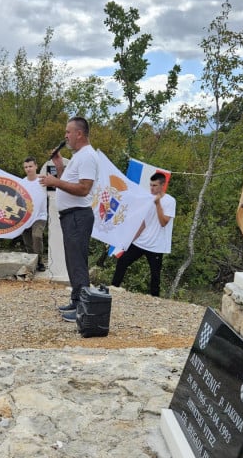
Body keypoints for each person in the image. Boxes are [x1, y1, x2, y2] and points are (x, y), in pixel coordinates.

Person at [39, 117, 97, 322]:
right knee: (72, 261)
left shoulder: (88, 156)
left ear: (79, 134)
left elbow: (83, 188)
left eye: (68, 132)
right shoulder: (79, 156)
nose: (65, 136)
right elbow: (71, 182)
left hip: (78, 216)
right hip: (71, 216)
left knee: (78, 262)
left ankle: (83, 308)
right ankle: (76, 300)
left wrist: (54, 181)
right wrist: (59, 167)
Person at [111, 171, 176, 297]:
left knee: (155, 274)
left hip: (156, 245)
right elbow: (143, 223)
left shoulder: (170, 201)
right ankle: (113, 288)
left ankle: (154, 299)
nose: (152, 188)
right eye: (151, 185)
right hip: (141, 241)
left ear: (162, 186)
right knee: (123, 261)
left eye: (155, 185)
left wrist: (157, 204)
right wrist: (129, 240)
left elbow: (164, 222)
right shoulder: (148, 199)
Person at [20, 156, 47, 272]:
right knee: (27, 241)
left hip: (40, 216)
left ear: (36, 166)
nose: (28, 169)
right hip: (25, 217)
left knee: (37, 236)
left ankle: (40, 262)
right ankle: (32, 262)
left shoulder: (43, 180)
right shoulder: (22, 182)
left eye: (30, 166)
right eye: (26, 167)